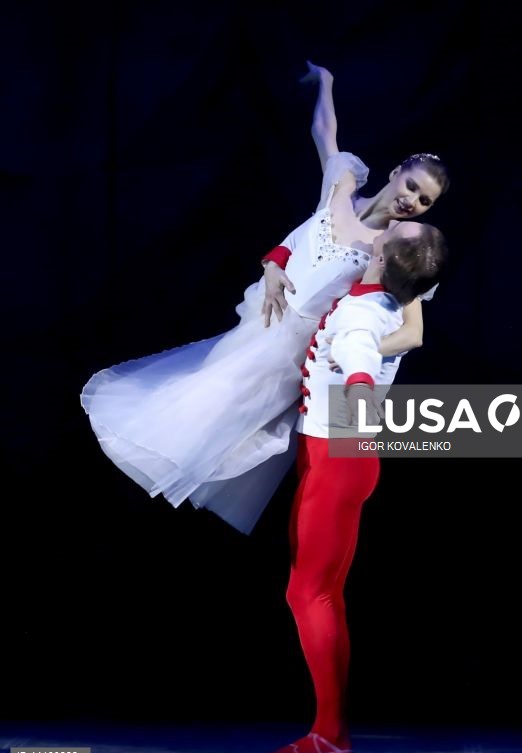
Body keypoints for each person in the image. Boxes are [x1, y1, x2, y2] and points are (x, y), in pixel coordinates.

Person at [80, 62, 450, 534]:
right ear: (398, 173)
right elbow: (323, 133)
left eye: (424, 202)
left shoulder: (398, 248)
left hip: (292, 354)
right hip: (263, 321)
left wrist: (350, 352)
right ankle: (136, 502)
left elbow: (412, 333)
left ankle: (154, 512)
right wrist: (327, 83)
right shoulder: (343, 188)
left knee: (224, 424)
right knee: (196, 400)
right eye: (412, 186)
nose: (411, 201)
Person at [263, 220, 448, 753]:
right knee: (320, 594)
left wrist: (362, 389)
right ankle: (330, 729)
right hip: (335, 452)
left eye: (394, 230)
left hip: (339, 454)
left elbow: (361, 357)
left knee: (308, 595)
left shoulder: (363, 315)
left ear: (383, 257)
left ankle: (330, 735)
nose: (385, 225)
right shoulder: (376, 297)